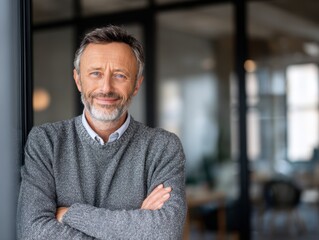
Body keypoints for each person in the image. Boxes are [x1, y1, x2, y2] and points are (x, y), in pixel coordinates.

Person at [17, 25, 187, 239]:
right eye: (95, 73)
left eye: (120, 75)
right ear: (78, 80)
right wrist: (137, 225)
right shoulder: (46, 143)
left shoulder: (162, 147)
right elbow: (32, 232)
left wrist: (71, 214)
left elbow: (165, 232)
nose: (106, 87)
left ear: (136, 85)